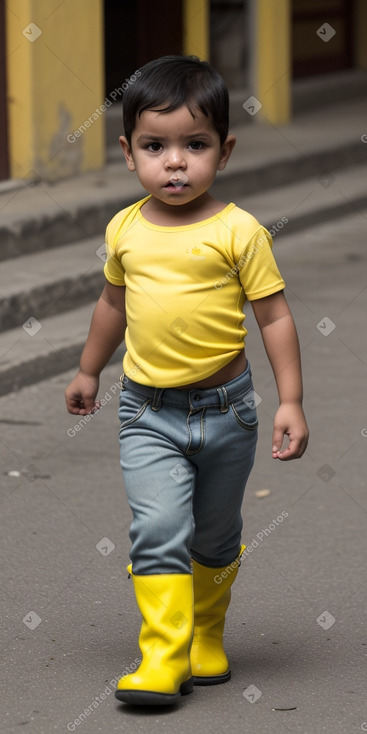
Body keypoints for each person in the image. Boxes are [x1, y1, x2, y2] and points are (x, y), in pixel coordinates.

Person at [65, 55, 309, 707]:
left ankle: (205, 632)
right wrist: (89, 368)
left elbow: (274, 316)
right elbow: (112, 306)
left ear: (222, 152)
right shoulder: (124, 229)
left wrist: (290, 400)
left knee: (214, 534)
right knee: (158, 526)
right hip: (148, 413)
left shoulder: (239, 232)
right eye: (155, 146)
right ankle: (162, 655)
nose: (174, 162)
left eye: (194, 145)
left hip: (228, 412)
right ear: (128, 152)